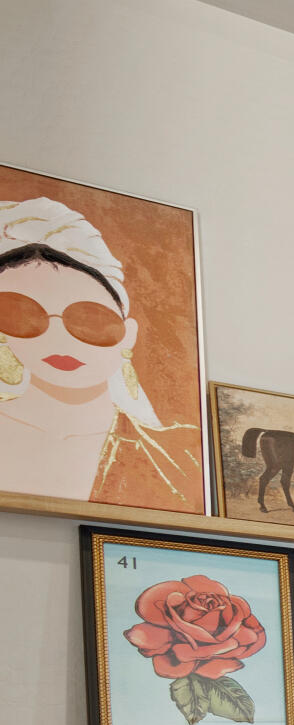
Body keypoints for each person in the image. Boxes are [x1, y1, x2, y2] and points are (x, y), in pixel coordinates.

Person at [0, 197, 191, 507]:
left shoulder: (179, 456)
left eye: (88, 318)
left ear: (128, 335)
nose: (58, 337)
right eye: (23, 316)